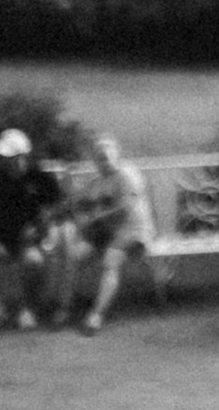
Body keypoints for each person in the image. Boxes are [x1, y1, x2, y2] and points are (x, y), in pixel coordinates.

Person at [0, 128, 63, 329]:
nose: (4, 160)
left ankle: (27, 308)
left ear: (22, 156)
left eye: (10, 156)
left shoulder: (41, 179)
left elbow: (58, 207)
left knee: (34, 262)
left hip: (29, 241)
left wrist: (41, 226)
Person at [66, 133, 156, 334]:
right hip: (109, 233)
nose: (103, 162)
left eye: (106, 158)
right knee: (75, 255)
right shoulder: (98, 182)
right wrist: (74, 200)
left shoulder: (127, 175)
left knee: (111, 259)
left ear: (116, 157)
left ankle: (96, 315)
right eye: (99, 159)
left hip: (135, 231)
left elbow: (125, 208)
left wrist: (95, 219)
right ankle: (67, 305)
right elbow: (82, 205)